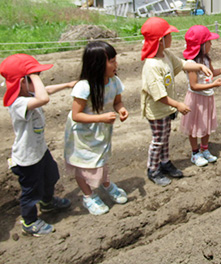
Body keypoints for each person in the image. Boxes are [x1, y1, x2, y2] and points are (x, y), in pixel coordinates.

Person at [0, 54, 74, 236]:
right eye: (35, 78)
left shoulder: (29, 93)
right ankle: (29, 221)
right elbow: (43, 98)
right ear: (22, 82)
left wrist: (66, 85)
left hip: (39, 151)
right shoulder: (17, 103)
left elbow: (45, 91)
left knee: (51, 175)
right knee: (31, 192)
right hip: (27, 159)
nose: (39, 80)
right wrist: (32, 74)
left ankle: (47, 203)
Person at [141, 17, 212, 185]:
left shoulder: (166, 55)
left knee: (165, 137)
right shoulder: (152, 66)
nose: (171, 38)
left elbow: (182, 64)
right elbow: (159, 95)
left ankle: (165, 162)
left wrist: (199, 66)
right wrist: (178, 105)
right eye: (169, 35)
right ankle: (153, 169)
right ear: (160, 40)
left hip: (166, 109)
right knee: (158, 139)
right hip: (157, 110)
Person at [64, 41, 129, 215]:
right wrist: (100, 117)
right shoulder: (84, 87)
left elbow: (117, 101)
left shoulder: (114, 82)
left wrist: (121, 109)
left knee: (101, 160)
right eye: (112, 61)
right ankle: (88, 196)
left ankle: (106, 184)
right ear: (97, 65)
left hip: (100, 130)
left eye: (115, 60)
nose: (116, 64)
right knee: (84, 165)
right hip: (82, 133)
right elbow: (76, 115)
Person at [180, 25, 221, 167]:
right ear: (201, 45)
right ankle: (195, 153)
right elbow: (194, 86)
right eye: (209, 42)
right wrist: (213, 85)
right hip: (196, 98)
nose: (211, 44)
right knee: (193, 126)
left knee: (205, 123)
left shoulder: (205, 59)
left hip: (207, 97)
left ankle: (204, 149)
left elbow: (211, 72)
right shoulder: (191, 64)